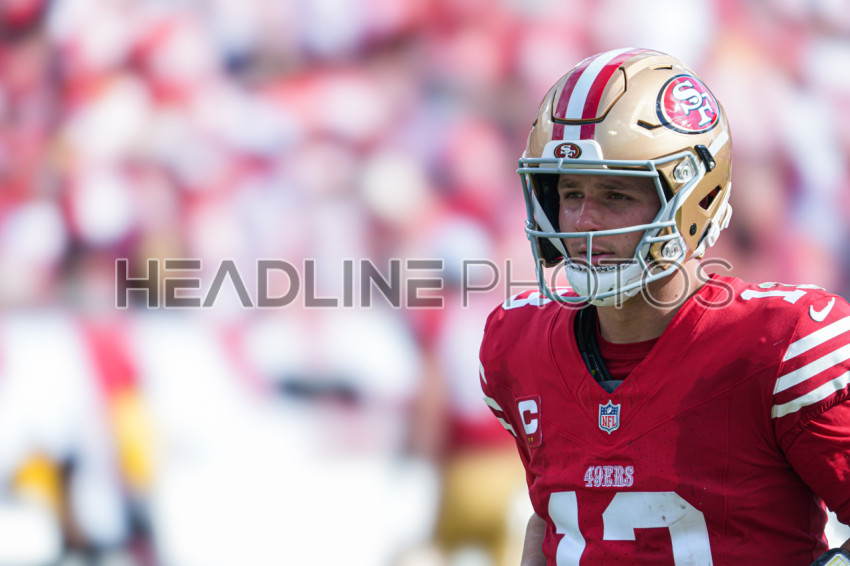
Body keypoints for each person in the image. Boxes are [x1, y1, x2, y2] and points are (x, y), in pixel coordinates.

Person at [478, 47, 850, 565]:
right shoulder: (518, 342)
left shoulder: (781, 346)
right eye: (570, 193)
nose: (583, 222)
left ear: (693, 199)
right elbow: (552, 517)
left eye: (616, 195)